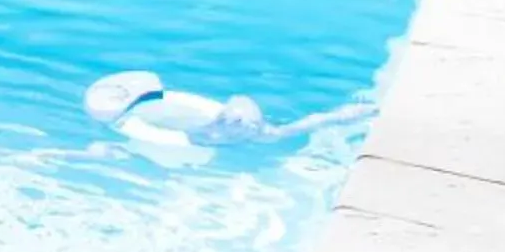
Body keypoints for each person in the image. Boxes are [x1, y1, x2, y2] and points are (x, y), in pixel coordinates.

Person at [83, 70, 361, 166]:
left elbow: (182, 138)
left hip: (213, 138)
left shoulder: (130, 124)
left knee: (278, 134)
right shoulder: (154, 107)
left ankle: (344, 116)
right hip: (225, 125)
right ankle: (346, 115)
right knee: (280, 132)